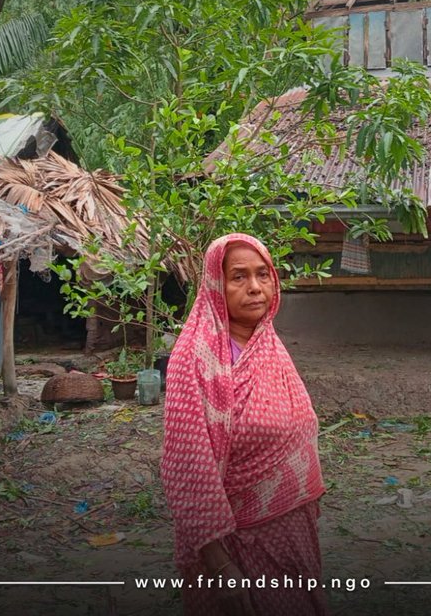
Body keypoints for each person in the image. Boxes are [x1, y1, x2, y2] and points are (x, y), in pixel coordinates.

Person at [160, 233, 329, 616]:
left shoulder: (268, 343)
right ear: (217, 284)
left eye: (262, 275)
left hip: (290, 530)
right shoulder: (195, 357)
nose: (255, 288)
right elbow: (188, 468)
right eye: (239, 277)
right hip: (233, 542)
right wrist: (220, 568)